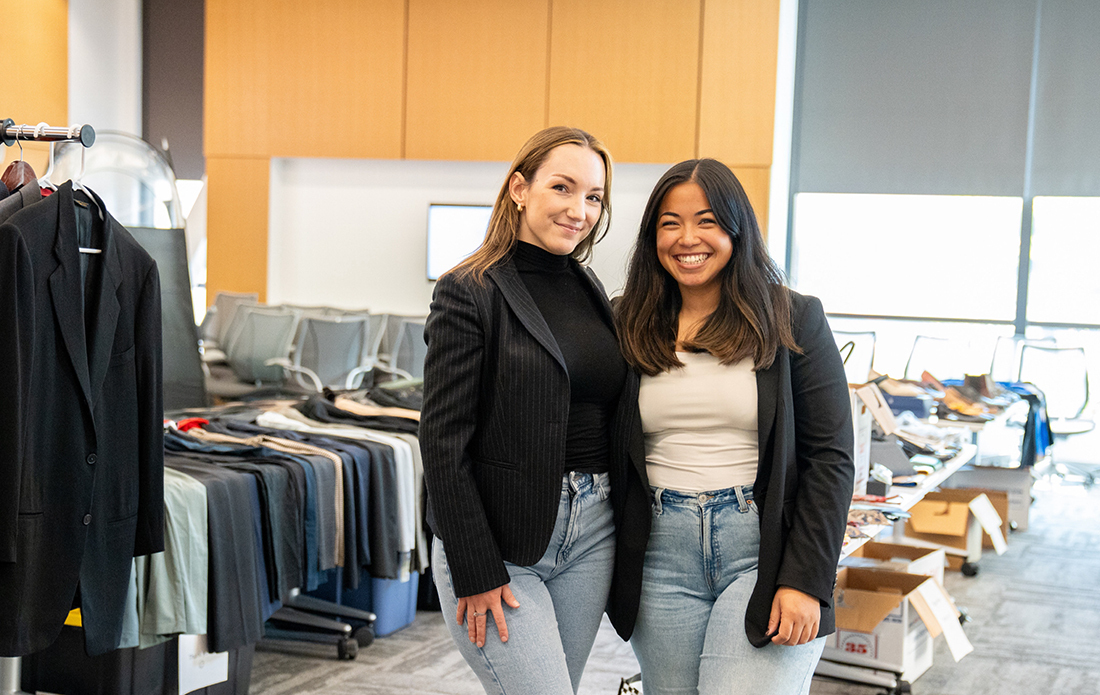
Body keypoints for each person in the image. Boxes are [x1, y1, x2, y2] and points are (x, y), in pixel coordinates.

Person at [611, 158, 854, 695]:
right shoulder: (626, 320)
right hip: (659, 553)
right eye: (669, 222)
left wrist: (805, 579)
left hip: (761, 547)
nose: (686, 238)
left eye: (707, 220)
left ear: (736, 228)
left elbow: (831, 460)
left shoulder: (793, 318)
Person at [420, 126, 632, 694]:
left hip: (593, 534)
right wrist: (474, 567)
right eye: (562, 188)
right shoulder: (468, 289)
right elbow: (443, 441)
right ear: (519, 187)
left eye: (593, 197)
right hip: (502, 541)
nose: (579, 210)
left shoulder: (589, 290)